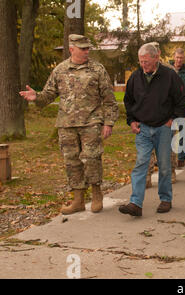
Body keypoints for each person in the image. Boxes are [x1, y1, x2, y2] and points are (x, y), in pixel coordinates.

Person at [19, 34, 119, 215]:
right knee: (71, 162)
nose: (86, 51)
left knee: (92, 158)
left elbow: (110, 100)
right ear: (72, 48)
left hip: (91, 122)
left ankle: (97, 195)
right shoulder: (60, 70)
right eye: (82, 48)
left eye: (88, 48)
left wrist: (109, 123)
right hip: (66, 124)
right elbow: (48, 95)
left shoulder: (97, 69)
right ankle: (78, 200)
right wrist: (36, 97)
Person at [119, 43, 185, 216]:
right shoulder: (135, 77)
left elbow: (183, 100)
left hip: (164, 128)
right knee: (141, 164)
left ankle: (165, 199)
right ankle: (136, 203)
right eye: (141, 62)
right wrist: (132, 121)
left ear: (156, 58)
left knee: (165, 166)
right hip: (143, 129)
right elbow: (128, 101)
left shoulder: (170, 76)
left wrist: (173, 120)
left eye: (147, 62)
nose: (144, 65)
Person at [145, 42, 178, 189]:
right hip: (148, 116)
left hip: (166, 117)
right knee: (147, 148)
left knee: (168, 147)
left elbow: (177, 95)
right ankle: (147, 176)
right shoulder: (143, 70)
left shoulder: (169, 70)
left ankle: (170, 172)